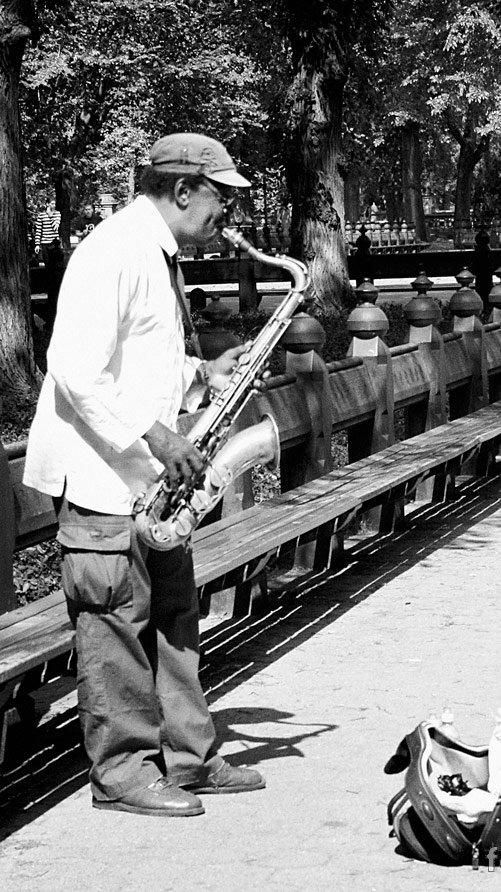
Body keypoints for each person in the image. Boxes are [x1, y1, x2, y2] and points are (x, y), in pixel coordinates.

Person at [23, 133, 266, 818]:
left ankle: (188, 755)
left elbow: (137, 362)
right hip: (105, 479)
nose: (228, 210)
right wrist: (157, 435)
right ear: (183, 189)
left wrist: (201, 376)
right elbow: (72, 367)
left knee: (174, 620)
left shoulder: (156, 253)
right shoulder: (112, 250)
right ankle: (124, 771)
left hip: (147, 482)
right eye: (222, 195)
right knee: (115, 624)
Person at [34, 198, 61, 264]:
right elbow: (38, 230)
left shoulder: (57, 214)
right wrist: (37, 244)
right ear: (47, 204)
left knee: (55, 264)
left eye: (54, 204)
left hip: (54, 243)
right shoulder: (41, 215)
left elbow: (56, 227)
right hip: (45, 243)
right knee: (47, 264)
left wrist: (50, 216)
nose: (54, 205)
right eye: (52, 204)